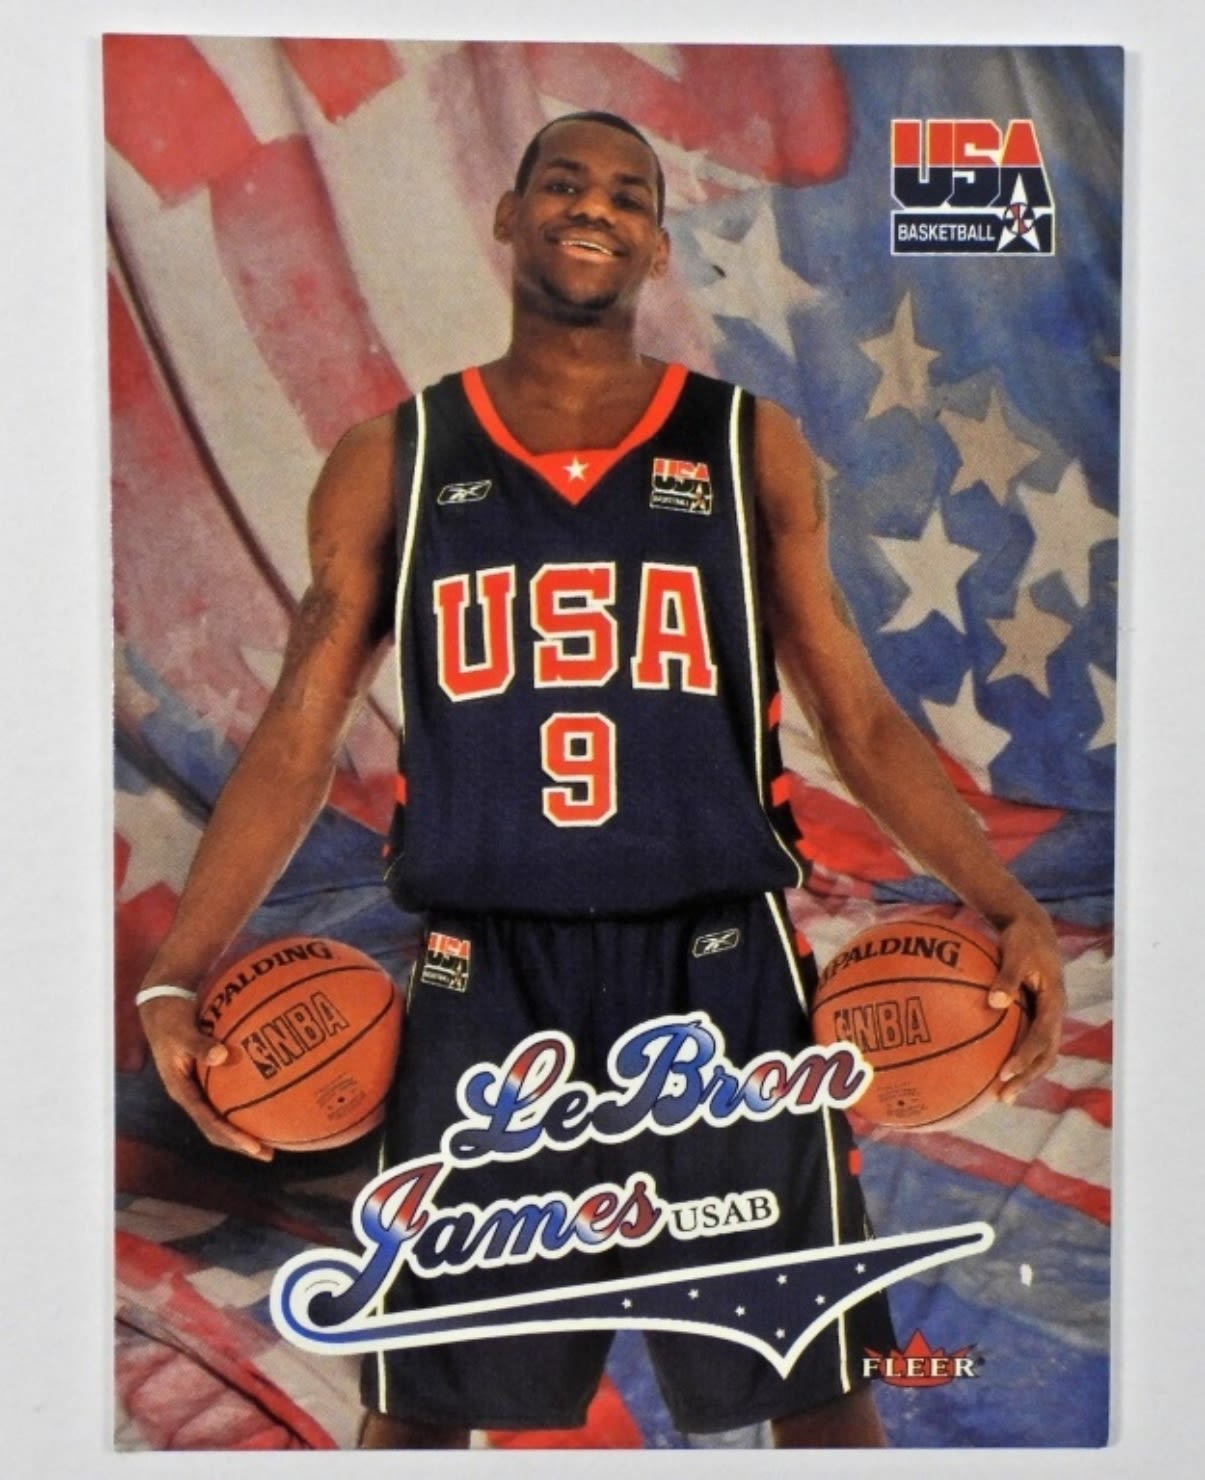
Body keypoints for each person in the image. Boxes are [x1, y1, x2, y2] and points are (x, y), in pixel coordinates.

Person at [136, 111, 1065, 1449]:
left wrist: (1001, 899)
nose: (595, 207)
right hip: (486, 975)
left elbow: (856, 718)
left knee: (812, 1381)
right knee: (425, 1400)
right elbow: (295, 734)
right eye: (564, 183)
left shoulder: (744, 444)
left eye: (628, 195)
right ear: (508, 216)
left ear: (655, 242)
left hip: (720, 970)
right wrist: (175, 974)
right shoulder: (395, 457)